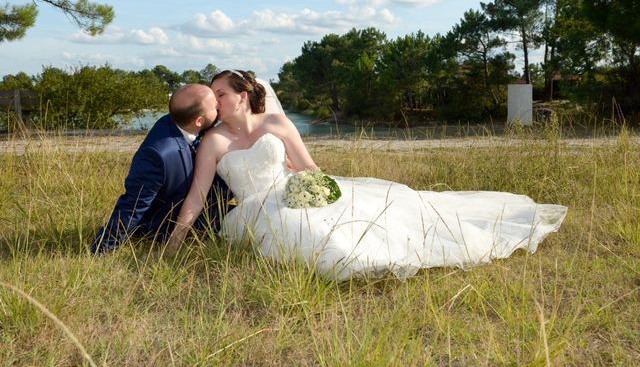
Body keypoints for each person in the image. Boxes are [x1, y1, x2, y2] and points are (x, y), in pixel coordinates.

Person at [168, 70, 567, 281]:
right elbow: (198, 195)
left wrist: (319, 190)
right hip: (255, 209)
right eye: (213, 95)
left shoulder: (276, 122)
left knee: (373, 212)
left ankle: (381, 255)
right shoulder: (214, 141)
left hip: (297, 189)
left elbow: (309, 168)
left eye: (221, 92)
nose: (216, 100)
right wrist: (174, 242)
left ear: (241, 94)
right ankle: (357, 263)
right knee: (293, 227)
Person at [90, 83, 230, 255]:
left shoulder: (184, 120)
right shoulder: (157, 155)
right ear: (198, 121)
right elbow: (133, 205)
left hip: (215, 204)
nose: (218, 105)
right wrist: (102, 250)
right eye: (214, 105)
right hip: (167, 225)